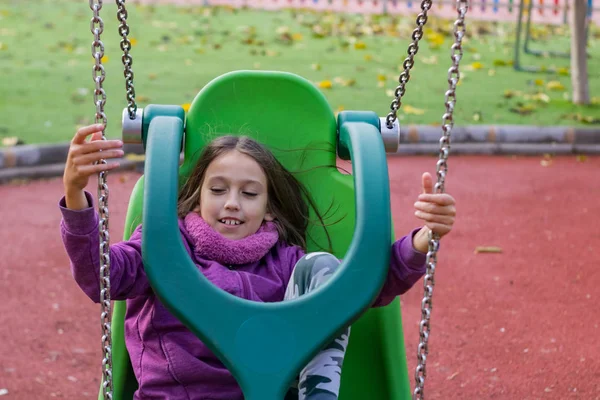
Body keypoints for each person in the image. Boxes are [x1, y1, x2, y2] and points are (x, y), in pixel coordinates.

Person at [59, 123, 456, 400]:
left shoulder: (284, 263)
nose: (231, 202)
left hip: (266, 391)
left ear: (269, 210)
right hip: (178, 396)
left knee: (324, 271)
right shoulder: (164, 245)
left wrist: (422, 239)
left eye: (249, 194)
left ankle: (316, 393)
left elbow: (359, 289)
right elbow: (101, 278)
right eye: (218, 189)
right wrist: (75, 193)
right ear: (198, 196)